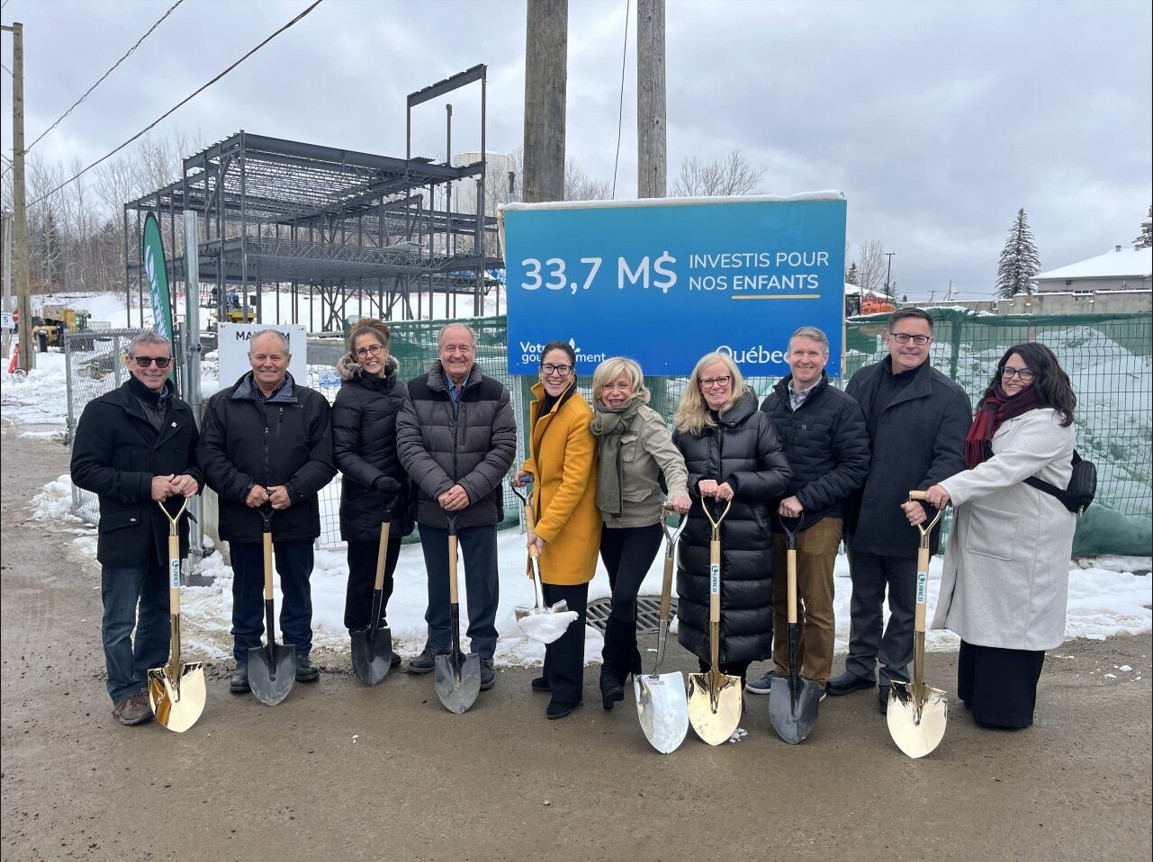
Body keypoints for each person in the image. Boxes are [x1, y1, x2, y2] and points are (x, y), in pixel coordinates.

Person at [918, 342, 1078, 729]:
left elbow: (1005, 468)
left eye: (1025, 373)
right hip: (990, 531)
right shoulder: (996, 412)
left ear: (1044, 377)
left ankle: (1005, 710)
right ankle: (976, 697)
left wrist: (949, 489)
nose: (1014, 379)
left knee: (1013, 623)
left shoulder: (1049, 421)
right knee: (985, 618)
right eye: (1009, 370)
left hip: (1026, 539)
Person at [831, 308, 971, 714]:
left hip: (913, 517)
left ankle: (893, 672)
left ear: (930, 344)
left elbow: (950, 456)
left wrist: (926, 496)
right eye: (904, 337)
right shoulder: (862, 382)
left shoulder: (948, 395)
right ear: (889, 339)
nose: (911, 345)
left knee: (907, 604)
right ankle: (858, 666)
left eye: (920, 339)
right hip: (862, 511)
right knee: (864, 597)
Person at [70, 331, 203, 726]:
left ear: (171, 365)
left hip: (170, 532)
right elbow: (84, 470)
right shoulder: (104, 410)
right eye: (144, 361)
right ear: (129, 362)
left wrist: (194, 478)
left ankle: (151, 679)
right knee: (120, 619)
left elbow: (197, 460)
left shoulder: (180, 411)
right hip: (124, 532)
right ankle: (125, 691)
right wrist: (145, 485)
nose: (153, 368)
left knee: (160, 612)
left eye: (161, 362)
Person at [198, 329, 336, 694]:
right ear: (250, 359)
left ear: (289, 361)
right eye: (261, 357)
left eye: (276, 357)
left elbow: (324, 459)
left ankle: (298, 651)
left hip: (295, 512)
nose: (268, 364)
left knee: (296, 586)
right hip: (245, 513)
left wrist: (293, 490)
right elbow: (210, 457)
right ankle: (246, 654)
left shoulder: (312, 404)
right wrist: (244, 489)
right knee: (247, 588)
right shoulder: (223, 404)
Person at [746, 327, 870, 699]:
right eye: (798, 353)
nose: (805, 360)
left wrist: (805, 498)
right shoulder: (772, 404)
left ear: (824, 359)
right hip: (775, 519)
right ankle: (784, 672)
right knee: (782, 602)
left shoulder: (841, 406)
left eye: (813, 354)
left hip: (820, 518)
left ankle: (814, 679)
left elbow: (855, 465)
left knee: (816, 604)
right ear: (787, 356)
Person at [396, 323, 516, 692]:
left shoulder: (495, 393)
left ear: (474, 350)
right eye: (450, 347)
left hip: (478, 507)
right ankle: (439, 642)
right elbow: (409, 445)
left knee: (482, 582)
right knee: (439, 579)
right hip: (435, 506)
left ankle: (482, 650)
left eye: (464, 347)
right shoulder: (414, 391)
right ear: (440, 350)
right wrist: (442, 488)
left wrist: (468, 489)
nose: (457, 354)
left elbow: (504, 448)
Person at [672, 352, 792, 689]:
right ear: (698, 385)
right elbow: (668, 475)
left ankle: (732, 690)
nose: (715, 386)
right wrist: (697, 484)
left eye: (722, 379)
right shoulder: (686, 426)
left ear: (733, 381)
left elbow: (781, 475)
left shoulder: (758, 422)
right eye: (707, 380)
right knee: (702, 616)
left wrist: (737, 484)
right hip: (700, 535)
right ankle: (710, 687)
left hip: (745, 537)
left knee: (740, 618)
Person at [588, 357, 690, 711]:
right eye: (608, 386)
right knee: (622, 596)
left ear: (635, 389)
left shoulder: (648, 422)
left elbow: (673, 463)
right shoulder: (595, 423)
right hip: (606, 524)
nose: (615, 394)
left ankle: (611, 668)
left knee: (626, 593)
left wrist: (678, 492)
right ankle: (632, 657)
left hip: (643, 523)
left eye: (623, 386)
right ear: (599, 389)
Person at [511, 342, 602, 720]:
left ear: (573, 372)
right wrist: (530, 467)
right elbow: (548, 452)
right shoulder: (549, 405)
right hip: (551, 522)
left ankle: (569, 690)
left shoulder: (578, 414)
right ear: (540, 369)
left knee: (565, 610)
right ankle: (553, 673)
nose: (554, 374)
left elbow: (575, 482)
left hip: (569, 527)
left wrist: (545, 530)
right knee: (551, 600)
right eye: (549, 367)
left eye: (562, 368)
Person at [331, 319, 411, 668]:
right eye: (362, 351)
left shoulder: (401, 390)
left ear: (385, 350)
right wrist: (377, 480)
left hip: (397, 500)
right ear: (354, 356)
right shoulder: (349, 395)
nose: (369, 355)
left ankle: (378, 632)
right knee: (364, 575)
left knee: (386, 574)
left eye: (374, 348)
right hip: (366, 501)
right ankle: (360, 638)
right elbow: (342, 453)